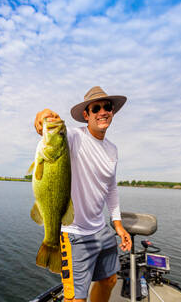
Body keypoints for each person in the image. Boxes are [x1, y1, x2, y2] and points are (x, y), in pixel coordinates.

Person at [34, 86, 132, 302]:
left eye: (107, 107)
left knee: (109, 281)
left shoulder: (112, 149)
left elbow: (111, 188)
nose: (102, 112)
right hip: (74, 234)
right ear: (86, 115)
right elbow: (48, 124)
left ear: (112, 112)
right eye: (95, 108)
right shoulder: (73, 137)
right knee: (75, 299)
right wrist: (44, 115)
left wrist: (117, 225)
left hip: (101, 230)